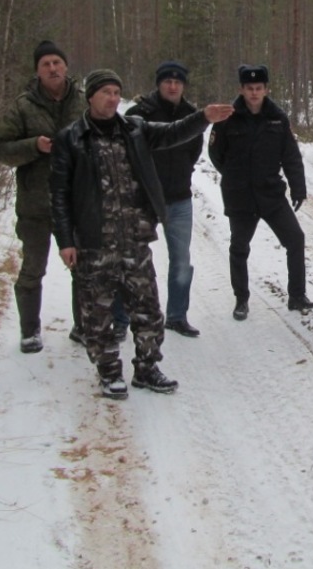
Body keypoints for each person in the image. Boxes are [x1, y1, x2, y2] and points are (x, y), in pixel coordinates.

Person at [50, 69, 233, 399]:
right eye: (105, 92)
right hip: (94, 244)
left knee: (148, 311)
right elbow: (59, 194)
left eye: (117, 92)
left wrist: (203, 117)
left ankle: (147, 368)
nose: (112, 98)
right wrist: (65, 241)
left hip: (135, 240)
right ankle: (109, 373)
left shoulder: (133, 129)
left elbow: (172, 132)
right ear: (90, 96)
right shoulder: (71, 138)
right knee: (98, 317)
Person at [0, 40, 87, 354]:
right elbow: (1, 148)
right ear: (37, 70)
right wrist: (34, 146)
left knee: (83, 268)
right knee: (33, 267)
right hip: (35, 202)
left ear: (66, 67)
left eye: (57, 62)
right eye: (45, 64)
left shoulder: (83, 102)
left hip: (76, 202)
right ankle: (30, 330)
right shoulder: (23, 105)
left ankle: (83, 326)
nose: (52, 68)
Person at [208, 64, 313, 321]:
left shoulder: (278, 117)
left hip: (271, 194)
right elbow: (215, 154)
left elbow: (290, 156)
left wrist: (298, 188)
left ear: (267, 89)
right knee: (239, 247)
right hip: (241, 195)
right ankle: (241, 299)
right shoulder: (227, 117)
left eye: (259, 88)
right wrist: (235, 175)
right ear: (241, 89)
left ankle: (297, 296)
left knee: (295, 240)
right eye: (249, 88)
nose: (254, 93)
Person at [126, 61, 203, 338]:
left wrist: (180, 173)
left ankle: (177, 316)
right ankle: (123, 318)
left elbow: (194, 150)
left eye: (178, 82)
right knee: (132, 259)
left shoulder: (192, 115)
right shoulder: (140, 113)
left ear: (183, 85)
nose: (172, 86)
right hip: (144, 198)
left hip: (179, 198)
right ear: (158, 83)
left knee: (181, 260)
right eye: (167, 82)